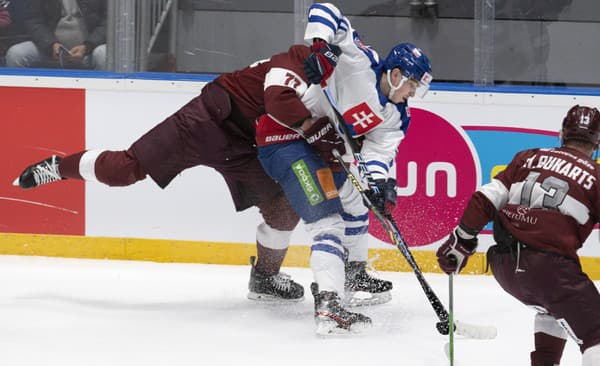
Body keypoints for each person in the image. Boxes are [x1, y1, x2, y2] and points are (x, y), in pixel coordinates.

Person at [13, 24, 395, 307]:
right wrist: (314, 130)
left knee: (283, 208)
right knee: (126, 170)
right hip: (207, 120)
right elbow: (278, 99)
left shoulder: (337, 88)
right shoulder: (296, 59)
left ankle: (264, 278)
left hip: (250, 146)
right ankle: (58, 166)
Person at [255, 2, 433, 334]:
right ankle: (329, 304)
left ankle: (352, 277)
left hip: (323, 151)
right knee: (328, 223)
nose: (412, 93)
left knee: (356, 200)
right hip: (286, 140)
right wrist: (321, 45)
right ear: (396, 75)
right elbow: (325, 8)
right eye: (411, 85)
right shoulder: (360, 62)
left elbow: (378, 155)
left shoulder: (396, 117)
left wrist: (379, 185)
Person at [436, 105, 600, 365]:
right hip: (550, 270)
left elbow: (485, 198)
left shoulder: (527, 157)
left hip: (505, 266)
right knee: (595, 336)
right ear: (597, 143)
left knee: (553, 308)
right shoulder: (596, 175)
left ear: (561, 135)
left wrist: (461, 241)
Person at [5, 0, 106, 70]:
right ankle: (21, 100)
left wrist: (87, 46)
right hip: (50, 50)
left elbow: (109, 21)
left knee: (103, 55)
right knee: (16, 54)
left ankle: (104, 99)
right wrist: (50, 44)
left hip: (89, 52)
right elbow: (34, 20)